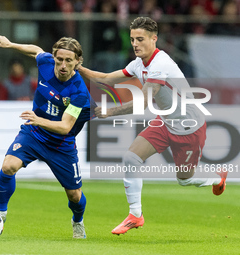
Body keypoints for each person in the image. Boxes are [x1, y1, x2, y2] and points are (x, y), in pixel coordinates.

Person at [78, 17, 227, 235]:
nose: (135, 44)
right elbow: (108, 79)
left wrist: (108, 112)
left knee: (184, 180)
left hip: (189, 127)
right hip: (165, 121)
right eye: (132, 39)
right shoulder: (138, 63)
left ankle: (216, 177)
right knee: (131, 157)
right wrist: (77, 68)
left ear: (154, 39)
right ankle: (135, 215)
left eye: (140, 39)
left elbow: (144, 102)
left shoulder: (160, 64)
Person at [0, 35, 96, 238]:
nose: (62, 65)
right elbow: (36, 50)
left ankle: (77, 220)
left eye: (68, 61)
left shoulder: (79, 92)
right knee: (8, 166)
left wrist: (38, 119)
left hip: (61, 144)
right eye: (59, 60)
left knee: (74, 196)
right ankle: (0, 214)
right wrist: (10, 44)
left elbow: (65, 127)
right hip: (34, 134)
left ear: (78, 62)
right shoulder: (46, 63)